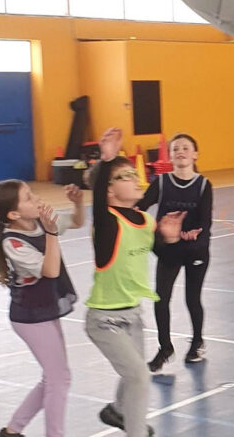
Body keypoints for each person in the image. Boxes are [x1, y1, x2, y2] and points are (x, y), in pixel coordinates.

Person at [86, 128, 190, 437]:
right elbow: (97, 203)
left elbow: (163, 256)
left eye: (134, 173)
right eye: (126, 176)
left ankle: (117, 411)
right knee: (140, 377)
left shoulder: (146, 221)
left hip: (132, 315)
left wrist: (169, 240)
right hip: (104, 320)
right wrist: (106, 161)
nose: (135, 177)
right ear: (109, 190)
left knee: (132, 374)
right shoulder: (107, 223)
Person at [0, 181, 85, 437]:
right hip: (29, 317)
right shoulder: (13, 243)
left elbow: (76, 221)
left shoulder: (40, 221)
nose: (36, 199)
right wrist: (51, 233)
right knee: (59, 379)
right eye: (28, 198)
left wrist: (77, 203)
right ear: (13, 215)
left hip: (44, 309)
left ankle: (12, 430)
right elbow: (50, 270)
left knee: (54, 377)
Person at [139, 133, 212, 372]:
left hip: (194, 251)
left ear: (195, 154)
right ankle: (165, 347)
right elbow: (139, 211)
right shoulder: (161, 183)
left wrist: (192, 238)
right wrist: (157, 233)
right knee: (161, 299)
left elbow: (205, 226)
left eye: (185, 148)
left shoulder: (203, 185)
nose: (180, 151)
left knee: (192, 299)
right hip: (168, 250)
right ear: (169, 155)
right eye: (175, 148)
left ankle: (197, 342)